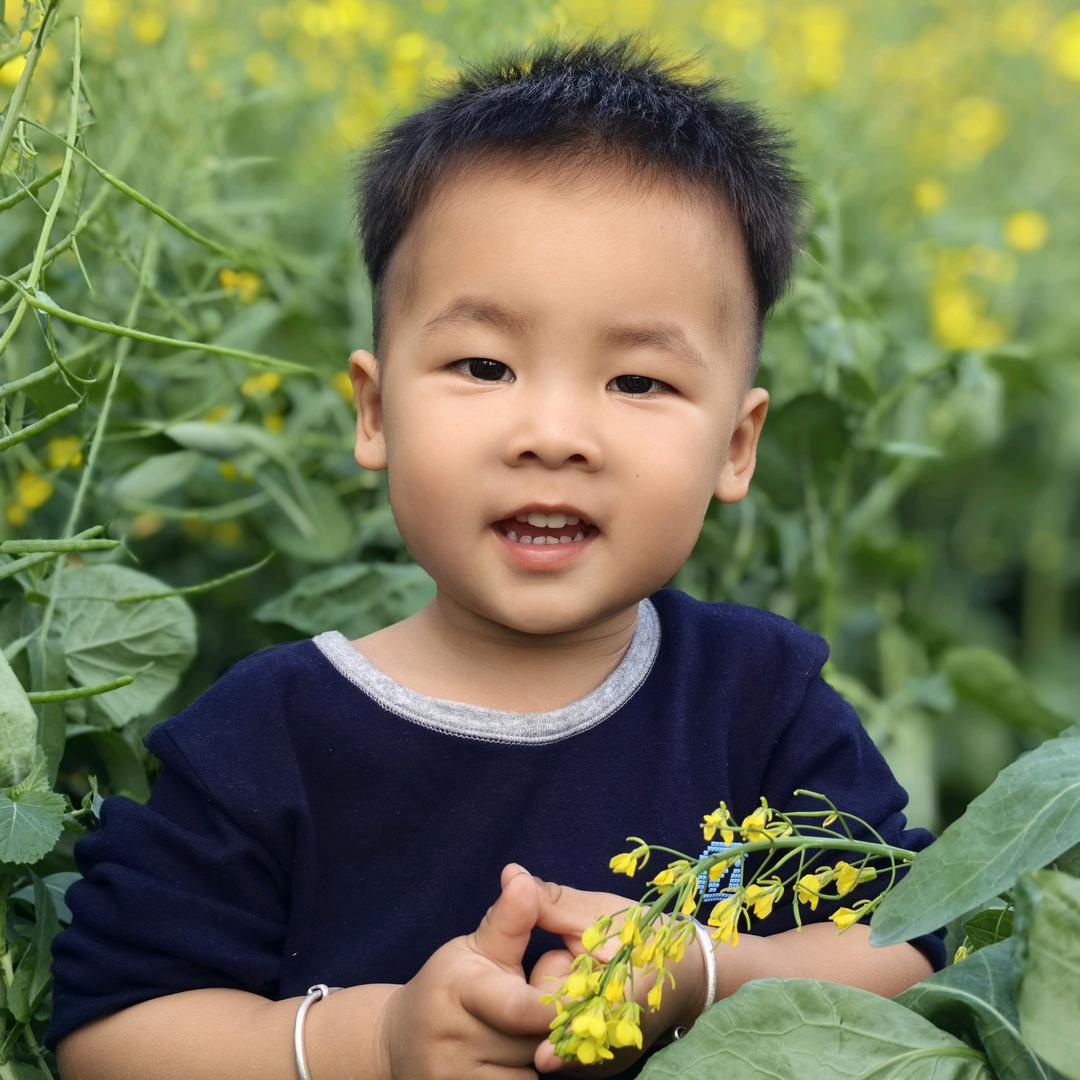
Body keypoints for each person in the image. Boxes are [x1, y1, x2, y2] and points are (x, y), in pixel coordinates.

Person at [45, 31, 946, 1080]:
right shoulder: (267, 736)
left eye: (638, 382)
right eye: (485, 363)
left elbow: (914, 943)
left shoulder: (759, 703)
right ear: (375, 412)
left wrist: (699, 972)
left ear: (735, 447)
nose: (554, 433)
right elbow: (108, 1036)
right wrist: (369, 1044)